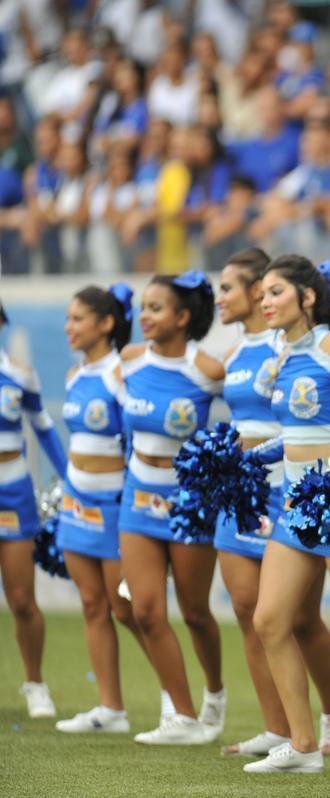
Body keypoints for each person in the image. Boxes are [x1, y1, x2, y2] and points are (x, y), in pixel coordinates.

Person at [244, 256, 330, 774]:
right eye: (263, 294)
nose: (265, 302)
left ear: (307, 297)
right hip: (293, 505)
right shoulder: (283, 356)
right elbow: (302, 434)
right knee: (269, 620)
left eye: (275, 292)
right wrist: (253, 456)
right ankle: (303, 748)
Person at [212, 248, 330, 758]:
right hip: (244, 491)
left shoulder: (295, 345)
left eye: (230, 287)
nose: (221, 297)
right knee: (251, 612)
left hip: (291, 489)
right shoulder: (235, 351)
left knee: (304, 620)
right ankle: (280, 729)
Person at [119, 273, 226, 744]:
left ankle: (215, 697)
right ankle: (183, 715)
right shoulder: (128, 360)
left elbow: (248, 416)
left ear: (182, 317)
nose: (145, 316)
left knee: (196, 611)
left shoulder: (206, 368)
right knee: (142, 609)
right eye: (144, 307)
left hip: (189, 501)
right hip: (137, 496)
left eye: (156, 308)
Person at [54, 284, 150, 734]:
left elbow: (136, 437)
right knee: (93, 605)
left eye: (78, 319)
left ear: (106, 324)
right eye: (68, 318)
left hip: (115, 506)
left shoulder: (120, 372)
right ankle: (110, 709)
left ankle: (177, 703)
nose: (68, 327)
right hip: (77, 504)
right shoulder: (75, 376)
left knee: (129, 608)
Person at [0, 300, 67, 719]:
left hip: (12, 493)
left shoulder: (19, 375)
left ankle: (35, 683)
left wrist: (70, 480)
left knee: (22, 598)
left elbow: (45, 431)